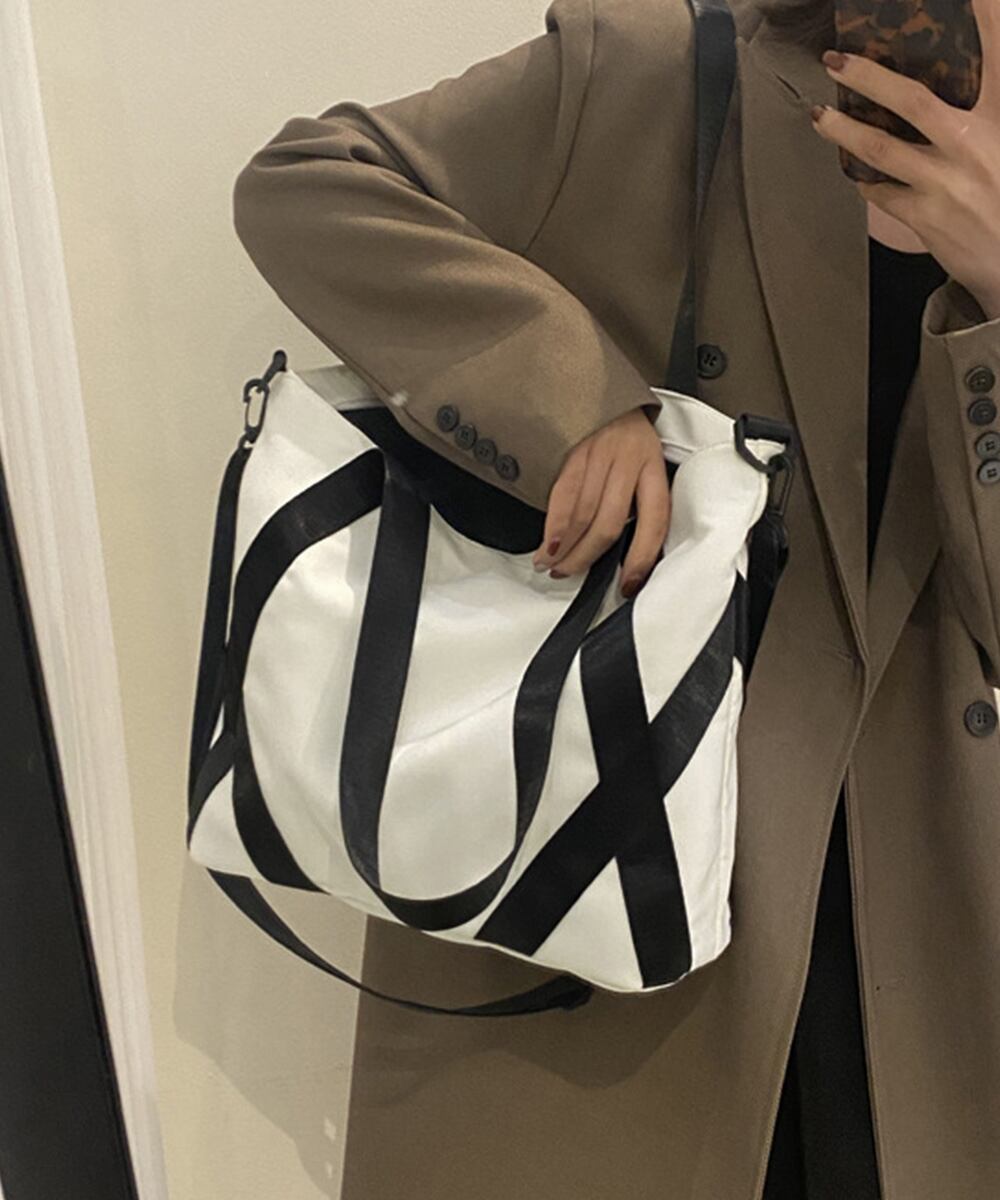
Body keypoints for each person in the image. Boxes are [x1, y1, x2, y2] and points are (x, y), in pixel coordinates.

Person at [231, 0, 1000, 1196]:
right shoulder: (658, 75)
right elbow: (311, 187)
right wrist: (573, 401)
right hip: (622, 867)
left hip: (938, 910)